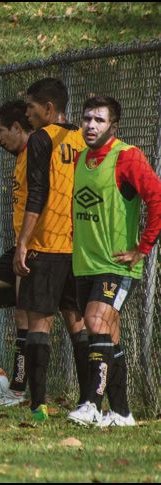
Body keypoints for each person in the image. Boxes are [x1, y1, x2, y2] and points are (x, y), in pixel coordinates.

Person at [67, 96, 161, 427]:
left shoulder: (126, 157)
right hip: (84, 264)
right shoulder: (81, 159)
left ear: (113, 126)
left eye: (99, 120)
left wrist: (142, 248)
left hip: (117, 265)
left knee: (95, 322)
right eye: (86, 118)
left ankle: (91, 404)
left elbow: (157, 198)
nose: (91, 125)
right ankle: (121, 413)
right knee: (109, 335)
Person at [14, 78, 89, 422]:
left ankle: (38, 404)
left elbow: (38, 192)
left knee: (38, 323)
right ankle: (88, 401)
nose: (27, 113)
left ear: (48, 108)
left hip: (46, 244)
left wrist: (23, 241)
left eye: (31, 107)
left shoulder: (41, 139)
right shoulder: (83, 139)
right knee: (77, 323)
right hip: (79, 246)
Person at [0, 100, 34, 408]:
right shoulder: (20, 157)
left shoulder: (37, 155)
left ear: (17, 127)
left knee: (24, 317)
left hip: (35, 248)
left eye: (1, 131)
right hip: (18, 246)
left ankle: (18, 389)